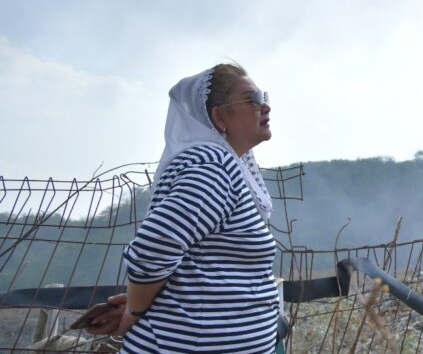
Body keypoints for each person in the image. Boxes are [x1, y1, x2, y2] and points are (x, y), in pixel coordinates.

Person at [85, 63, 278, 353]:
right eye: (253, 99)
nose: (265, 107)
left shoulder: (220, 166)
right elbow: (151, 251)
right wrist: (134, 311)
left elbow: (193, 263)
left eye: (264, 97)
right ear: (219, 117)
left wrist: (143, 301)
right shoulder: (213, 167)